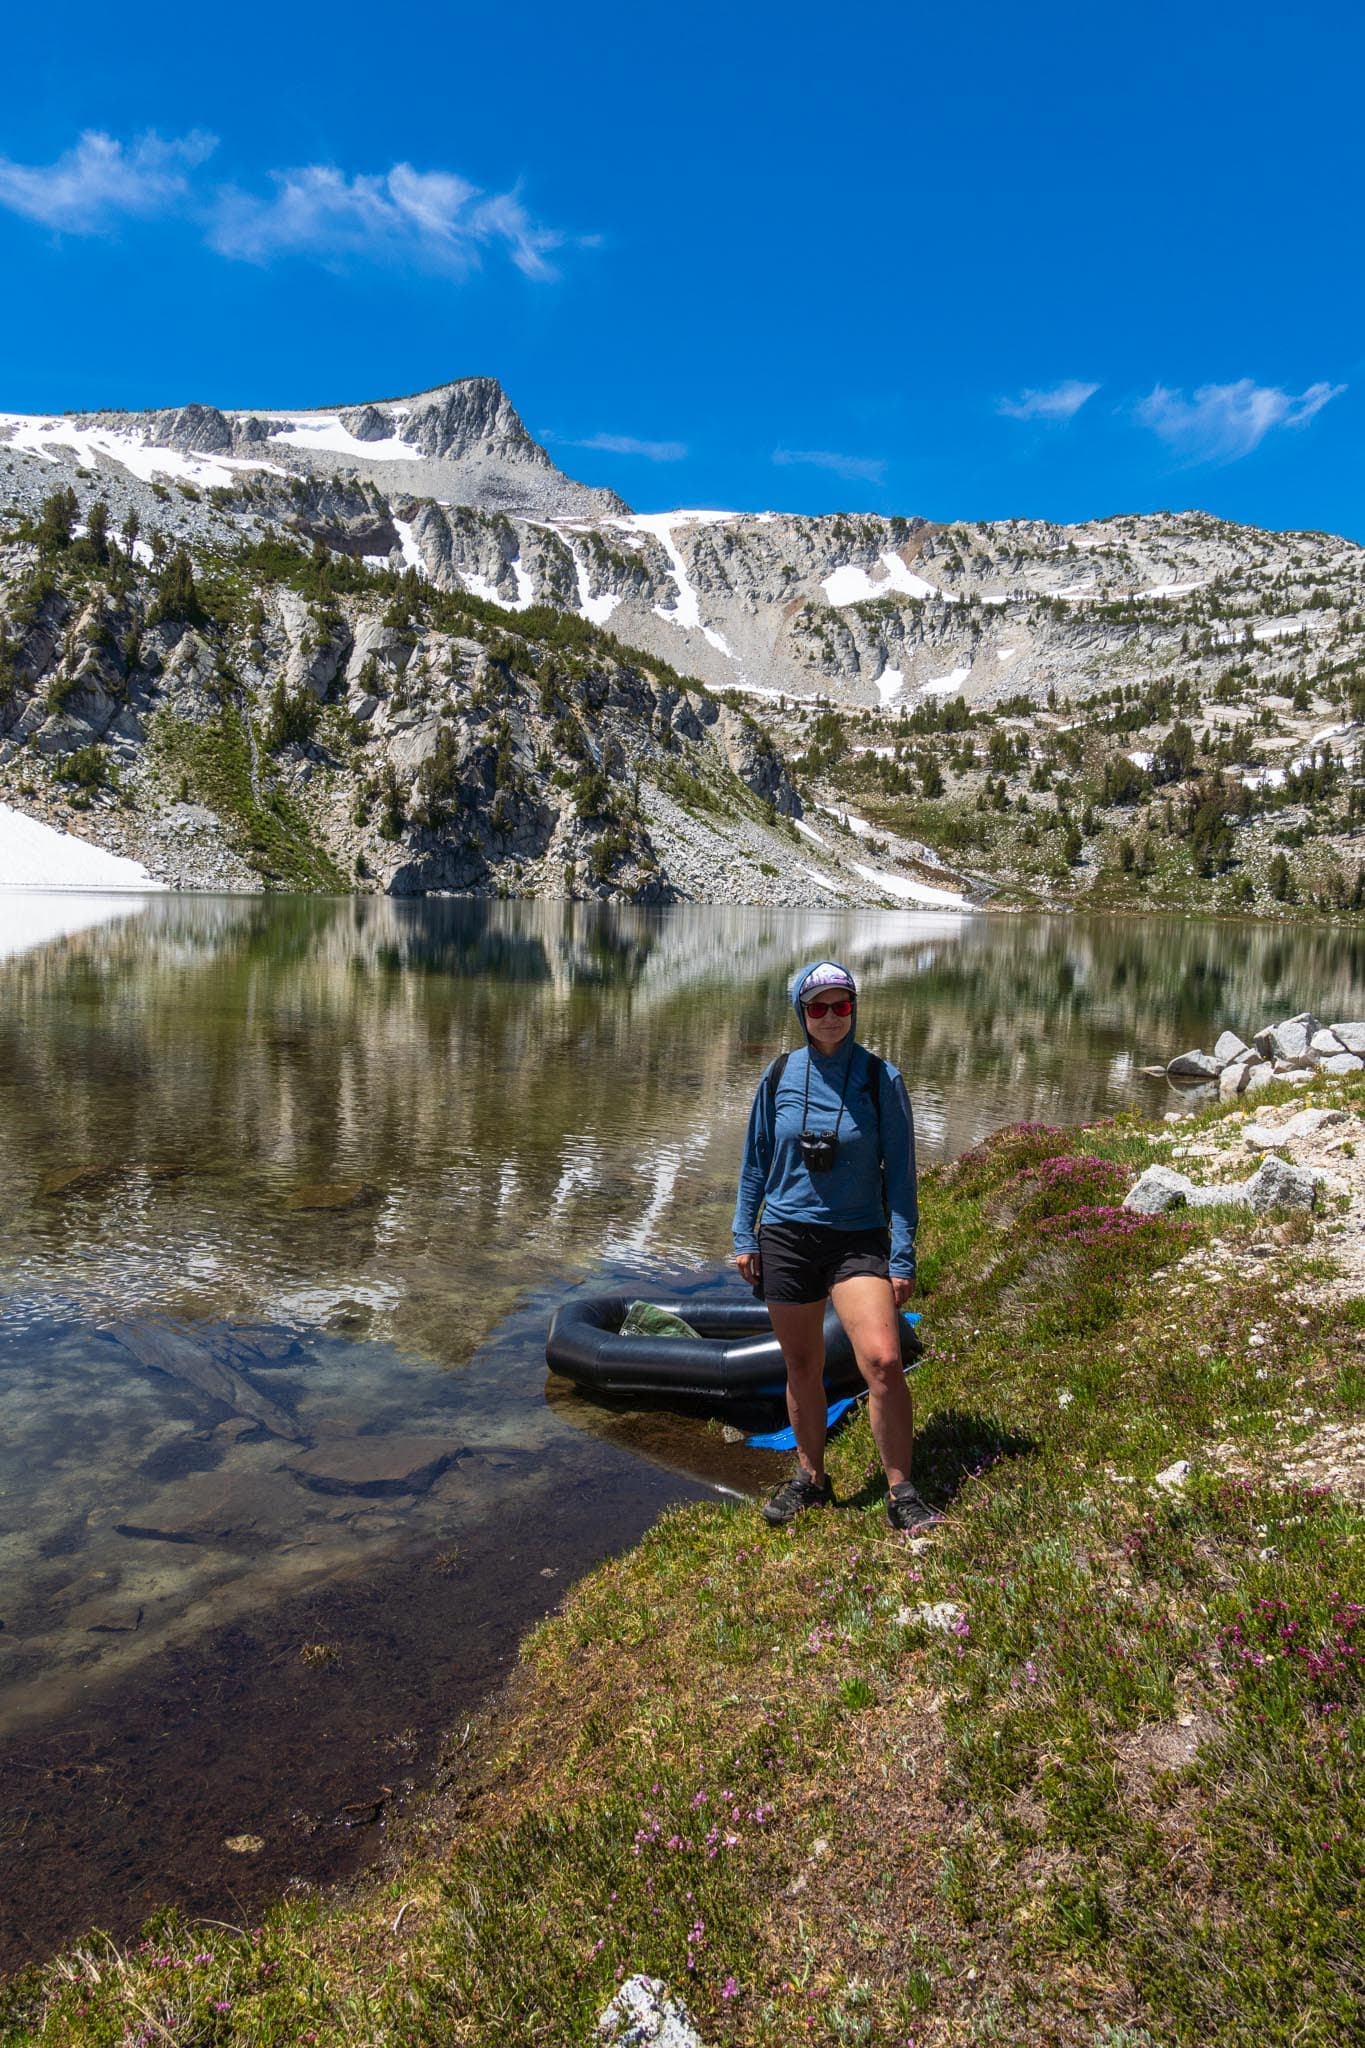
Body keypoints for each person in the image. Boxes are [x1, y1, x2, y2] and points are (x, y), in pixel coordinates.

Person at [732, 959, 939, 1532]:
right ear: (800, 1012)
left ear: (854, 1009)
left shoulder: (880, 1077)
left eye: (841, 1005)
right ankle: (811, 1478)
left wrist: (902, 1255)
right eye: (818, 1007)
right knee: (802, 1364)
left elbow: (902, 1176)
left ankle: (902, 1491)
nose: (830, 1016)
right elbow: (755, 1162)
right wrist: (744, 1233)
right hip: (786, 1235)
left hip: (857, 1238)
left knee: (883, 1359)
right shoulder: (778, 1074)